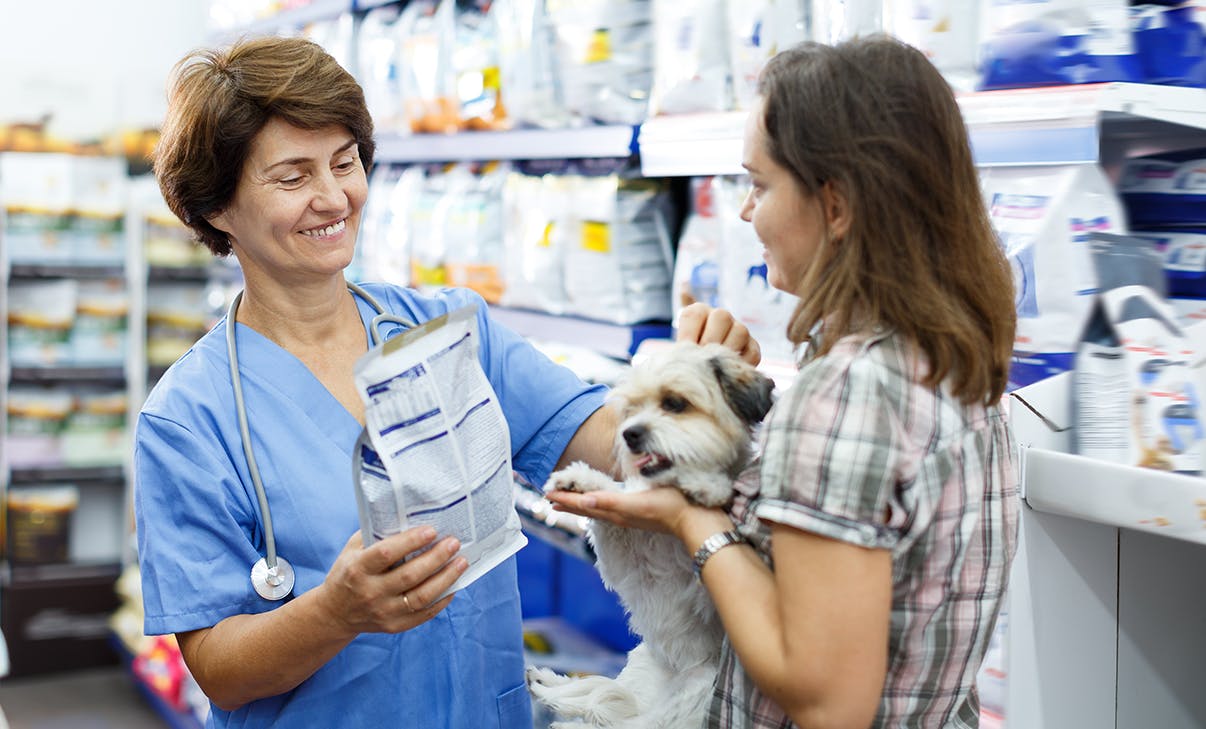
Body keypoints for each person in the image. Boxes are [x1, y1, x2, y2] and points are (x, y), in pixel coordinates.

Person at [135, 35, 757, 729]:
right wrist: (335, 613)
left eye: (345, 162)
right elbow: (218, 668)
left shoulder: (449, 331)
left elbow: (610, 444)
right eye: (292, 177)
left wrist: (693, 395)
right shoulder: (188, 419)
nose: (333, 197)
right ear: (216, 207)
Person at [547, 35, 1019, 729]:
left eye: (760, 185)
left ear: (836, 204)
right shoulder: (958, 365)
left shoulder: (846, 396)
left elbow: (827, 701)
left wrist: (693, 521)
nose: (746, 212)